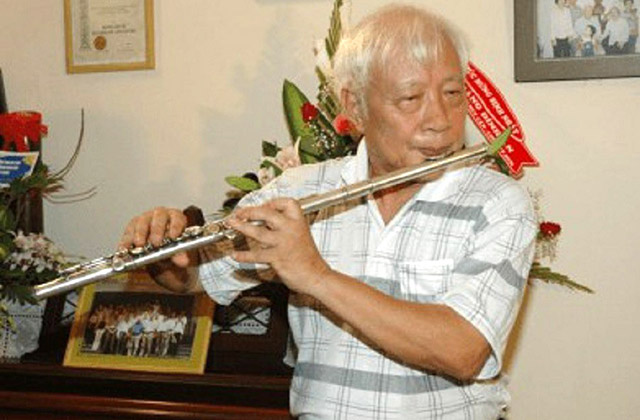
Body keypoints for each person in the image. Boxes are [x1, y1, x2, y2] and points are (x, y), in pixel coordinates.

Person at [120, 4, 537, 419]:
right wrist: (166, 255)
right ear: (355, 107)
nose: (440, 120)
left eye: (453, 94)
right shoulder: (297, 192)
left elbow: (462, 349)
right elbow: (197, 277)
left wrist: (315, 276)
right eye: (411, 98)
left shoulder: (497, 202)